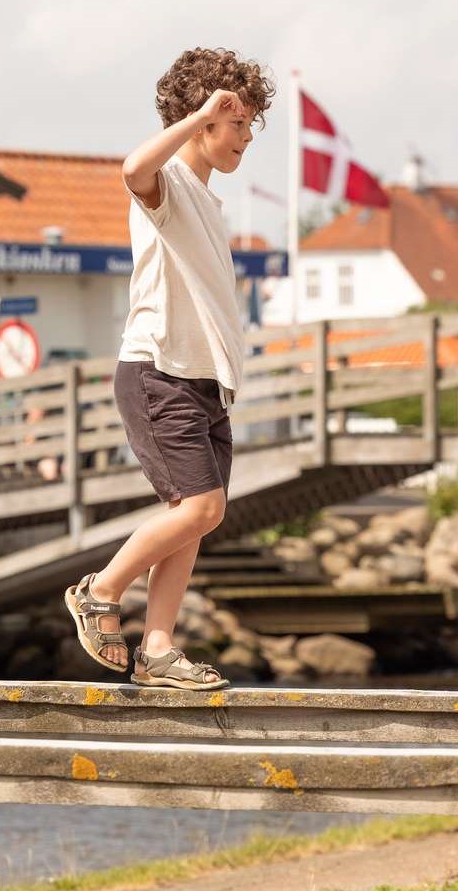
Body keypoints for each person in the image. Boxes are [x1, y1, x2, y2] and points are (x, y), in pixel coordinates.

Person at [64, 48, 273, 691]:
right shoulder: (169, 185)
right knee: (203, 507)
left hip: (202, 381)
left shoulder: (208, 202)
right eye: (234, 122)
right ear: (200, 120)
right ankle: (101, 593)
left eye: (247, 125)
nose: (243, 136)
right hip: (158, 372)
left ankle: (156, 648)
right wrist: (199, 114)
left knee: (195, 516)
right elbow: (133, 167)